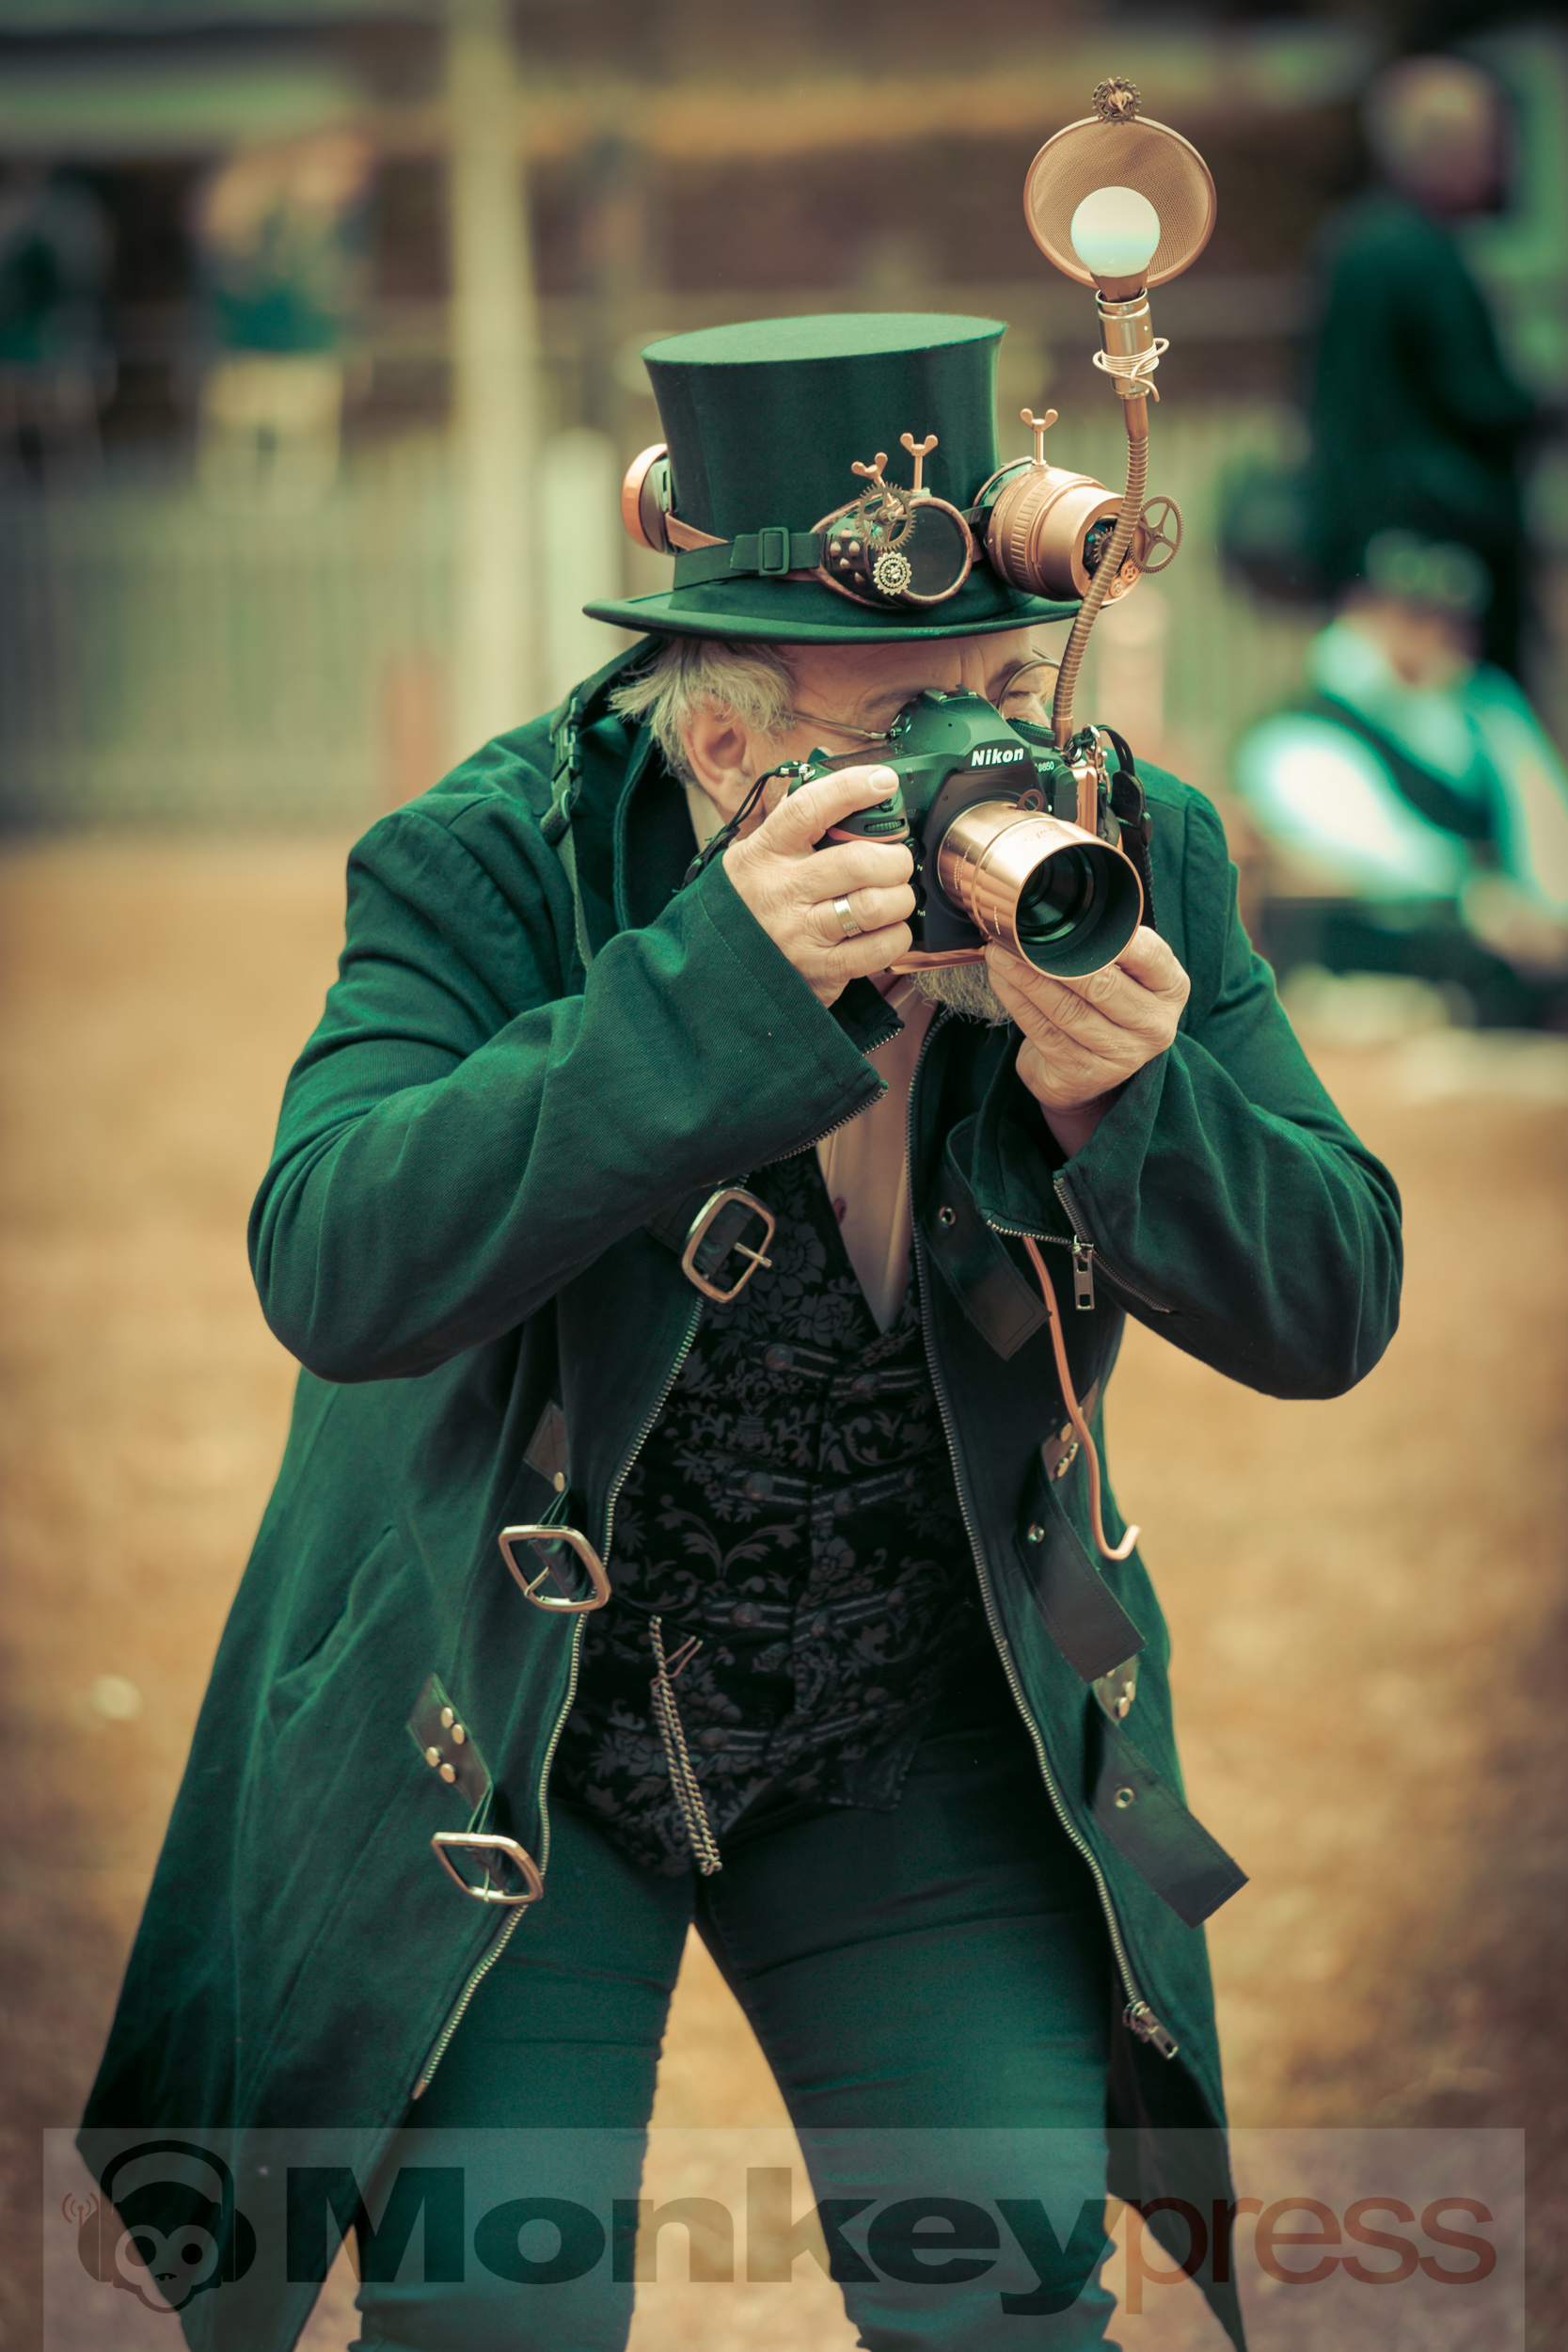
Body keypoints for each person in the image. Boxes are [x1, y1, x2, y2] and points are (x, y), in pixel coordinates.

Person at [79, 313, 1402, 2350]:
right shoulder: (489, 857)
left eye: (991, 694)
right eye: (901, 724)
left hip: (902, 1718)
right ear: (722, 742)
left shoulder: (1128, 851)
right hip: (516, 1731)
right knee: (486, 2325)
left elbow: (1332, 1304)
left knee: (1015, 2317)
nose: (979, 773)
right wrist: (703, 1004)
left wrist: (1137, 1102)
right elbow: (331, 1267)